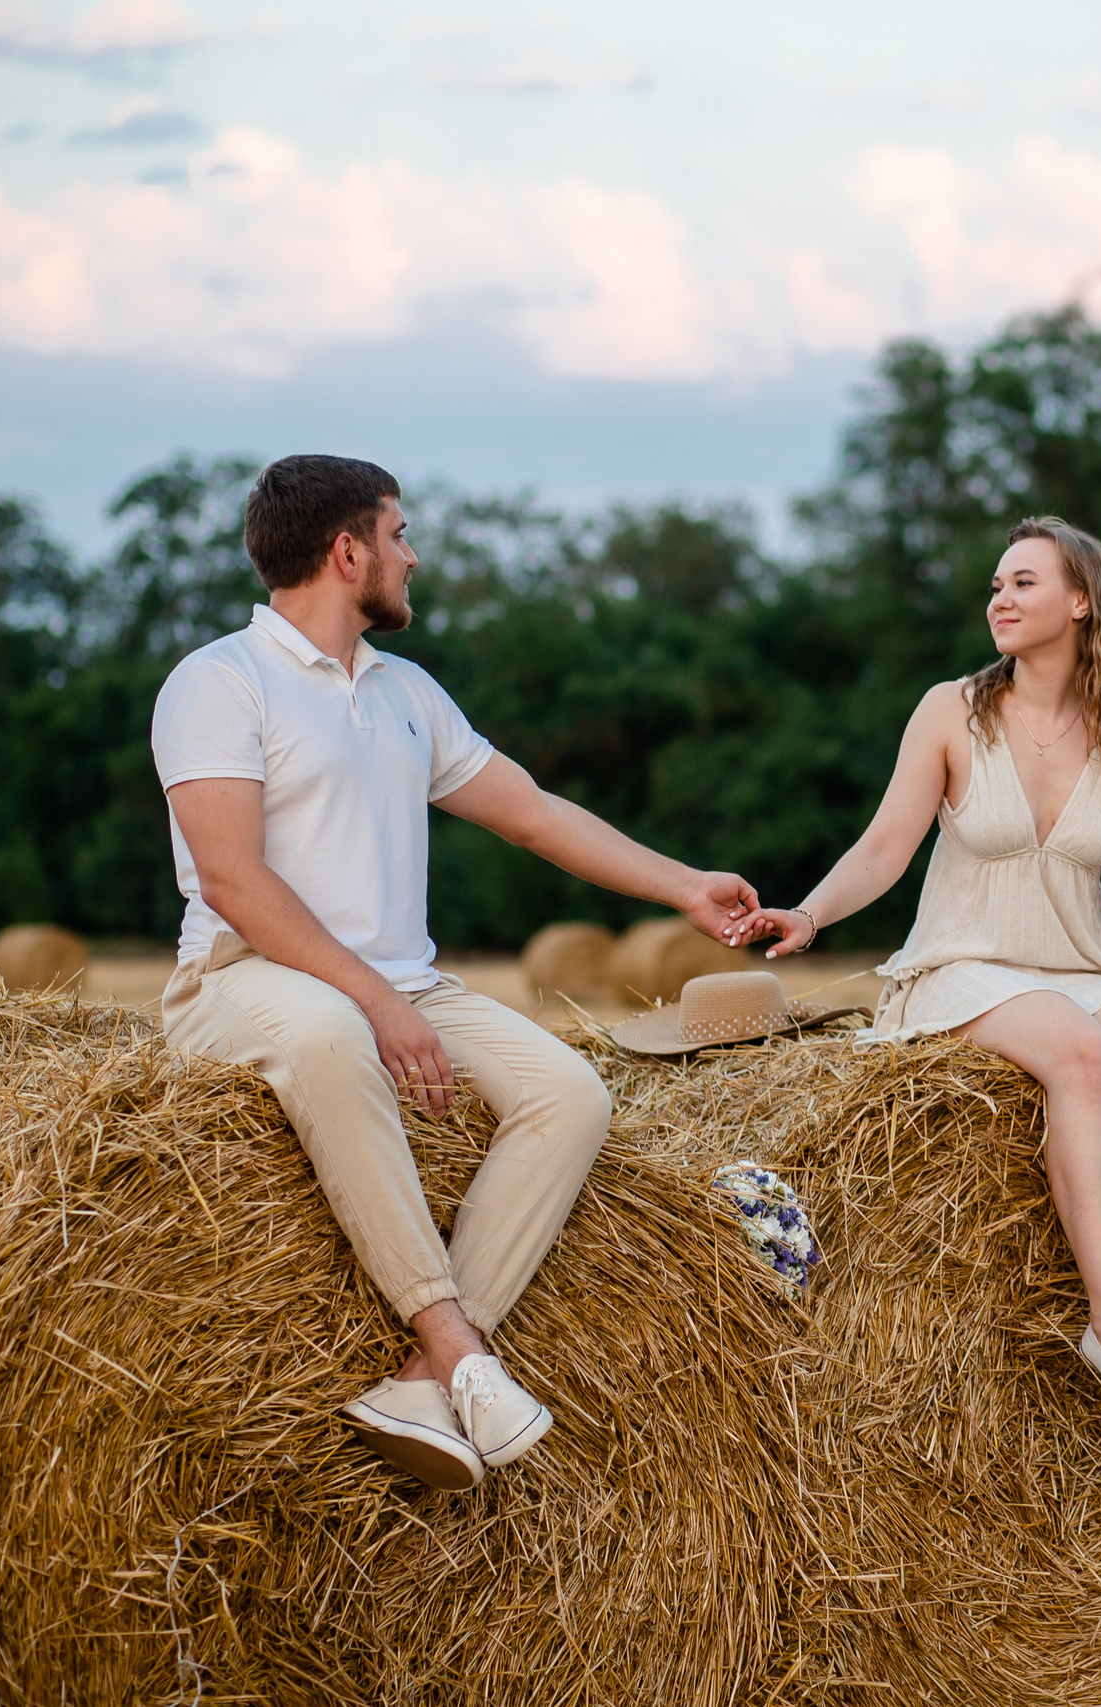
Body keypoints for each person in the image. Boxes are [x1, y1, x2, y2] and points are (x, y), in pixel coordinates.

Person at [153, 454, 763, 1492]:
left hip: (402, 981)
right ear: (348, 552)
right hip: (241, 976)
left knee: (566, 1094)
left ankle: (419, 1385)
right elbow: (233, 880)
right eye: (398, 536)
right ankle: (458, 1348)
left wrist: (682, 890)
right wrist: (379, 1001)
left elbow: (534, 814)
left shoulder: (406, 694)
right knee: (329, 1034)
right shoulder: (218, 682)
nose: (413, 555)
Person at [744, 516, 1101, 1431]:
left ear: (1080, 600)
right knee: (1081, 1050)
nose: (1000, 599)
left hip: (1080, 962)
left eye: (1023, 582)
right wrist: (810, 912)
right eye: (995, 586)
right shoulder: (954, 710)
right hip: (967, 963)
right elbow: (885, 846)